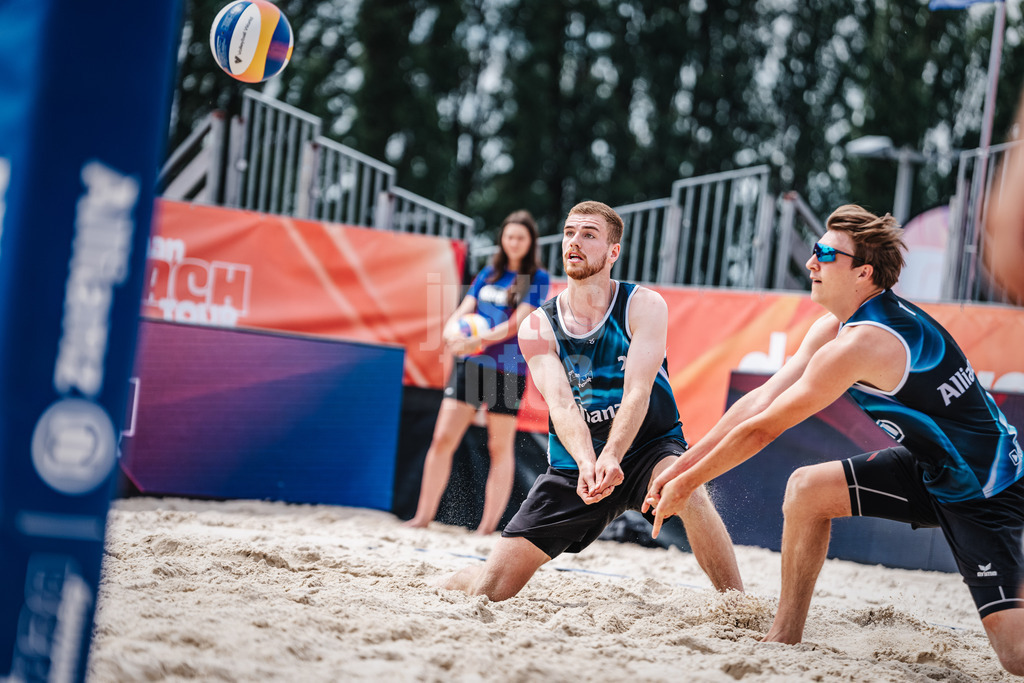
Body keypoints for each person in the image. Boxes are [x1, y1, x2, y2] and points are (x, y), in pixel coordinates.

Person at [645, 204, 1024, 675]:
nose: (811, 262)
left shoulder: (863, 342)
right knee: (807, 491)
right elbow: (758, 402)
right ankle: (784, 638)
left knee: (1014, 657)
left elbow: (765, 429)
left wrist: (684, 484)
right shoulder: (836, 325)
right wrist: (683, 467)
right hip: (934, 467)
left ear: (863, 272)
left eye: (825, 252)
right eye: (814, 249)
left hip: (985, 488)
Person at [440, 200, 743, 600]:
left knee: (686, 486)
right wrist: (588, 462)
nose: (574, 242)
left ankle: (739, 605)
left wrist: (613, 455)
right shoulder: (538, 325)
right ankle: (458, 579)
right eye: (569, 233)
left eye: (589, 234)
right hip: (575, 464)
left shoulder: (643, 305)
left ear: (613, 251)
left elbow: (638, 389)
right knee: (490, 590)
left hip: (647, 447)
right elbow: (562, 405)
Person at [405, 210, 550, 535]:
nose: (514, 243)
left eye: (521, 238)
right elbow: (464, 309)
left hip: (509, 370)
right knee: (443, 438)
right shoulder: (489, 272)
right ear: (502, 239)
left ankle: (486, 529)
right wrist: (448, 333)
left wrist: (477, 339)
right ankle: (422, 517)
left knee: (500, 448)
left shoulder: (536, 277)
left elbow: (519, 322)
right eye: (509, 236)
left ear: (530, 243)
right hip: (472, 366)